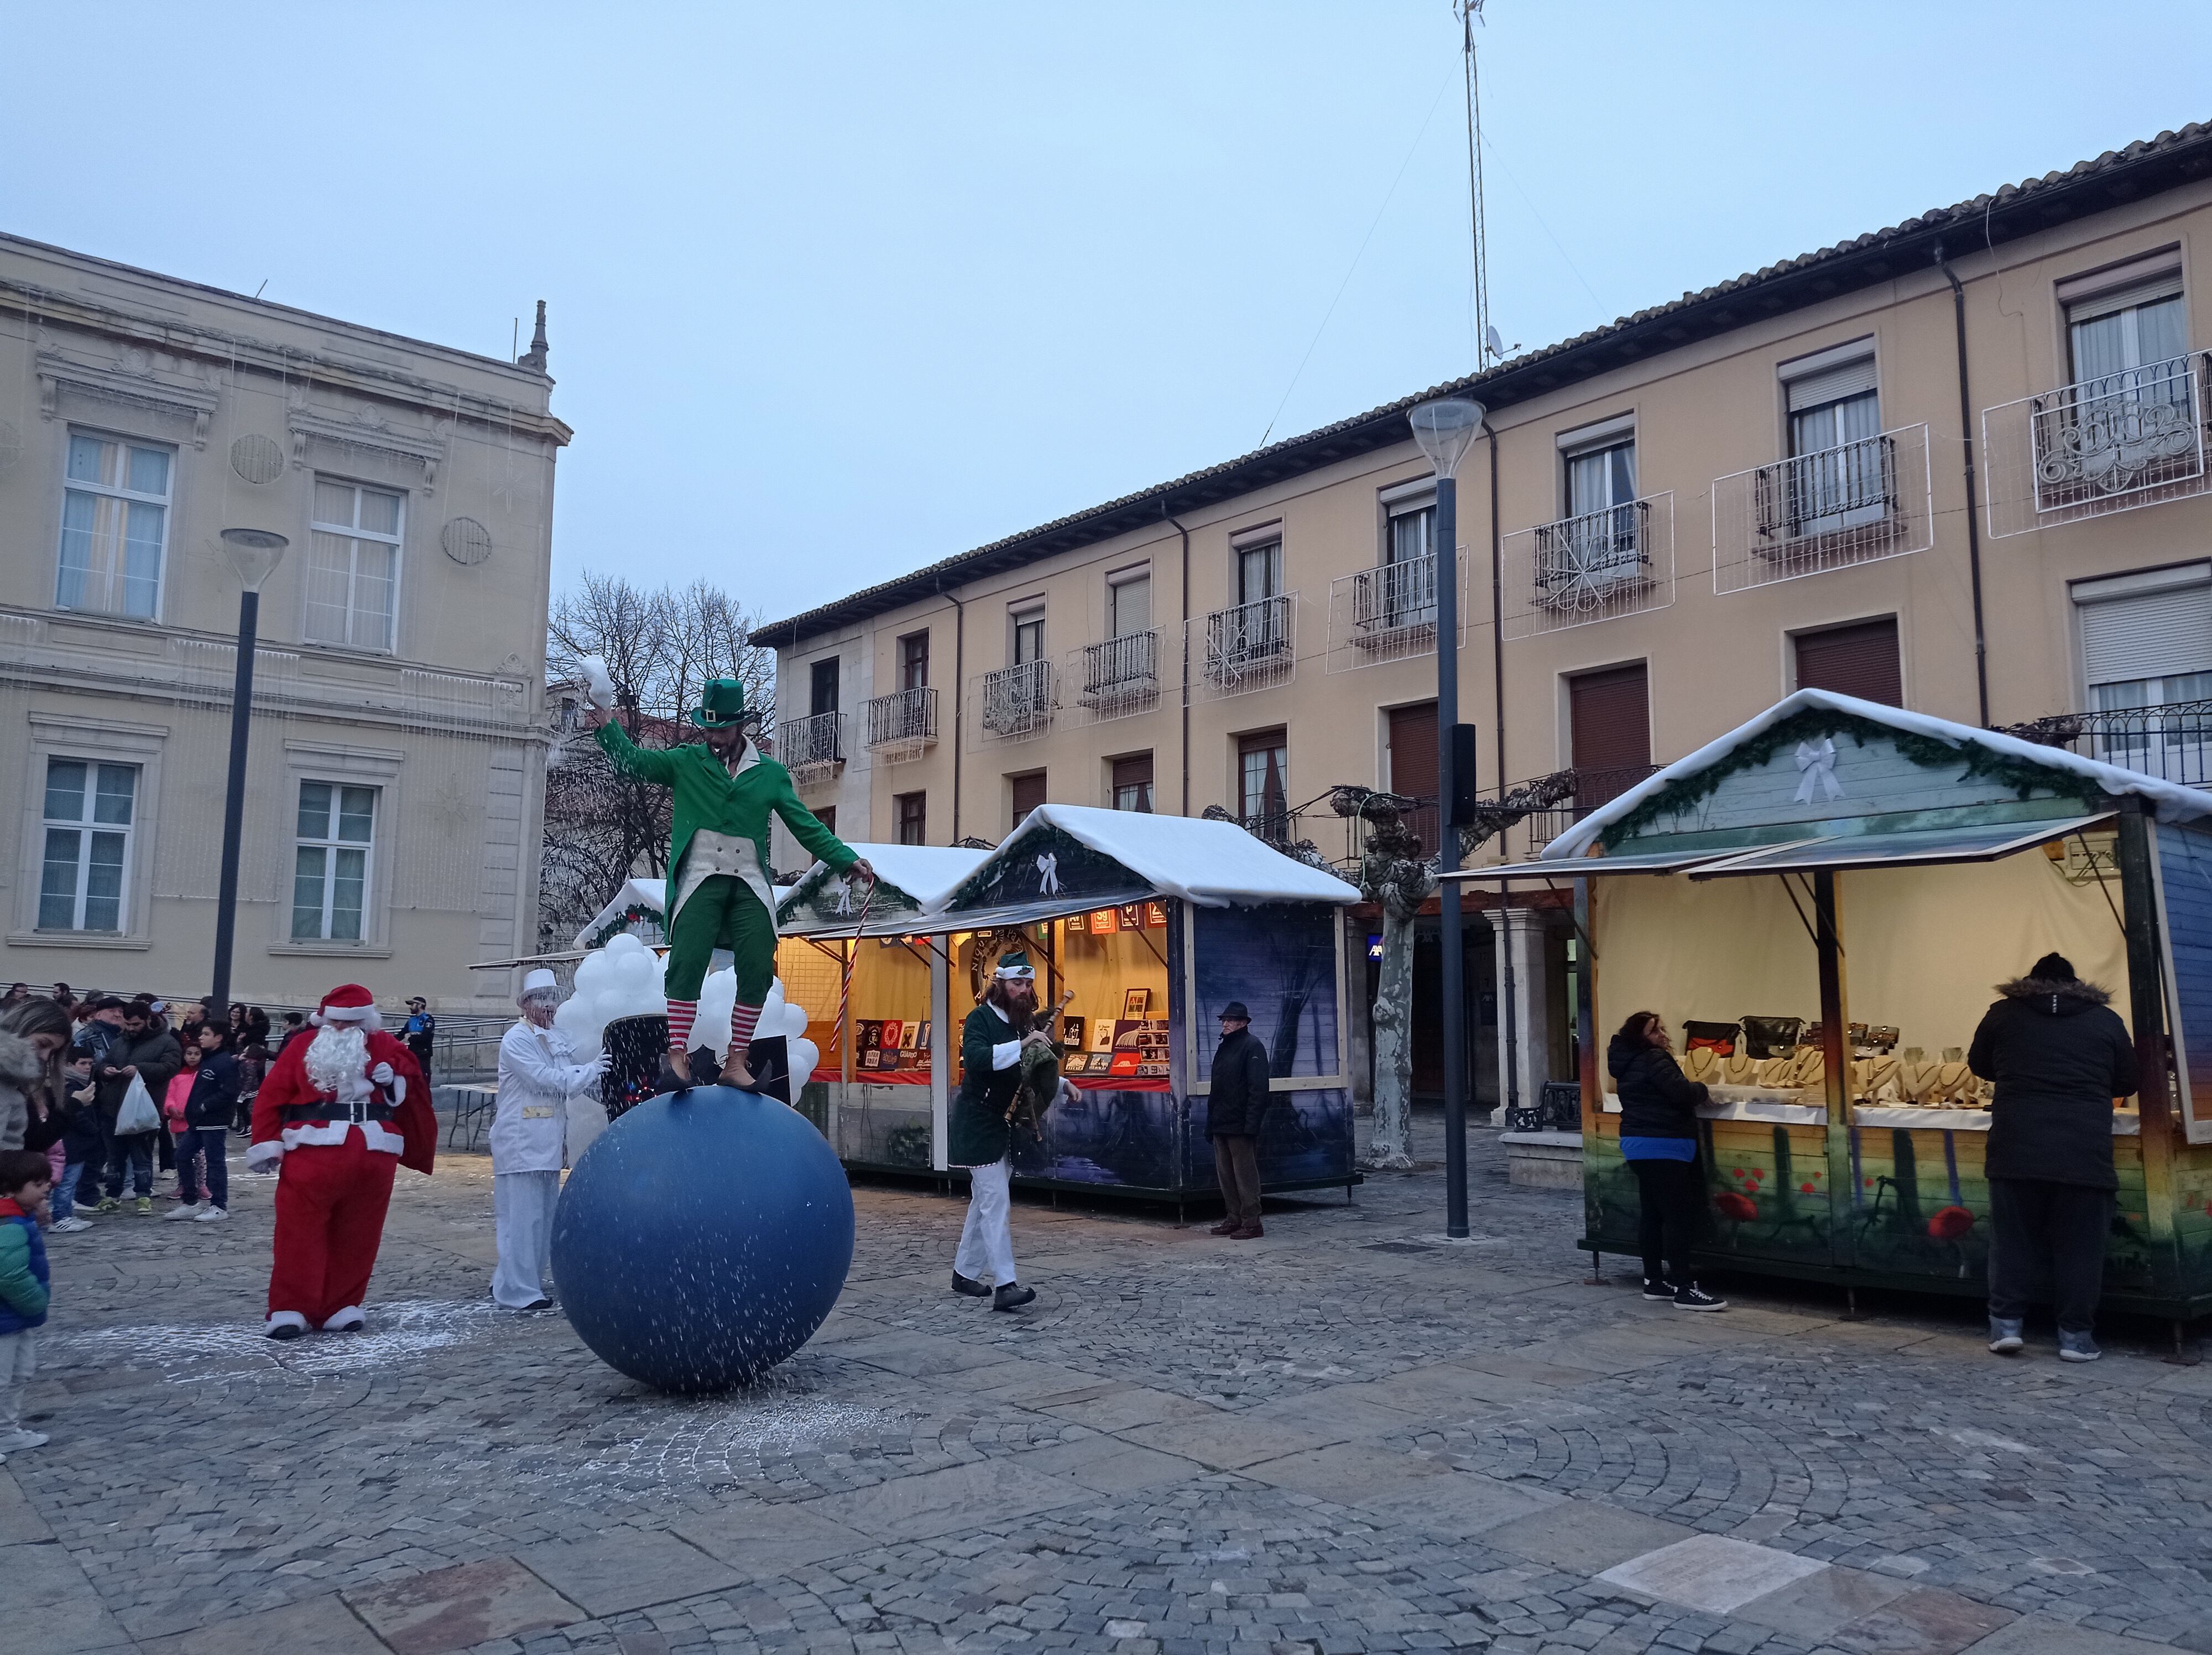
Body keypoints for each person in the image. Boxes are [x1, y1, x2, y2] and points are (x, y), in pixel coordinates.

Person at [587, 676, 873, 1086]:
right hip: (700, 876)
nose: (715, 737)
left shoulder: (770, 774)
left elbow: (804, 824)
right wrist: (606, 723)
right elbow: (633, 762)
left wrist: (846, 860)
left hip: (749, 881)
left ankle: (737, 1061)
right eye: (710, 728)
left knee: (759, 963)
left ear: (741, 727)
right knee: (687, 959)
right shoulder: (686, 761)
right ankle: (678, 1055)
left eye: (722, 729)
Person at [1970, 951, 2138, 1362]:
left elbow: (1979, 1064)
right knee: (2081, 1247)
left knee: (2012, 1242)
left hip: (2016, 1145)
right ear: (2077, 985)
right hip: (2084, 1150)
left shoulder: (2003, 1014)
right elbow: (2129, 1079)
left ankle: (2006, 1327)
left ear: (2030, 981)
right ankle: (2076, 1337)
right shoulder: (2106, 1020)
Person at [247, 985, 435, 1339]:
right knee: (298, 1232)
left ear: (367, 1022)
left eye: (351, 1023)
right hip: (312, 1149)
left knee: (360, 1234)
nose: (343, 1029)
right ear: (323, 1021)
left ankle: (341, 1305)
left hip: (373, 1149)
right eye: (335, 1022)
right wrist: (267, 1143)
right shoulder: (303, 1047)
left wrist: (395, 1077)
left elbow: (414, 1086)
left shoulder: (388, 1048)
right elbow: (271, 1096)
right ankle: (291, 1307)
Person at [491, 970, 604, 1310]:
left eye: (552, 1000)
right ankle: (518, 1290)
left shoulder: (556, 1038)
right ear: (526, 1004)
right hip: (519, 1140)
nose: (548, 1007)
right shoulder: (517, 1039)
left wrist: (599, 1078)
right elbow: (545, 1080)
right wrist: (589, 1071)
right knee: (521, 1218)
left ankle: (516, 1280)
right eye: (540, 1000)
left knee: (542, 1217)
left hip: (548, 1140)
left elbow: (575, 1080)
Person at [1606, 1010, 1728, 1312]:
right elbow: (1680, 1092)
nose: (1662, 1034)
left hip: (1638, 1144)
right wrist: (1702, 1089)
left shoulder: (1628, 1063)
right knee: (1677, 1217)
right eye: (1654, 1030)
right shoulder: (1654, 1059)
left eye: (1661, 1028)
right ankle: (1686, 1288)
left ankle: (1654, 1282)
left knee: (1652, 1214)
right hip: (1665, 1145)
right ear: (1641, 1037)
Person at [947, 950, 1046, 1311]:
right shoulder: (980, 1018)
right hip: (977, 1121)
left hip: (1001, 1124)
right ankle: (1006, 1284)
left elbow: (1029, 1071)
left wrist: (1061, 1083)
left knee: (984, 1203)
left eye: (1029, 983)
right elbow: (974, 1059)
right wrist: (1022, 1045)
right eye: (1017, 982)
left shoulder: (1021, 1023)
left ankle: (964, 1273)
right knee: (996, 1204)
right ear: (1000, 984)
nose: (1024, 989)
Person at [93, 1000, 181, 1215]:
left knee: (142, 1155)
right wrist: (106, 1070)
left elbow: (170, 1068)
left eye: (136, 1025)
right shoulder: (120, 1041)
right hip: (114, 1107)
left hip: (144, 1110)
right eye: (128, 1024)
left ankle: (143, 1196)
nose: (131, 1029)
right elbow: (104, 1062)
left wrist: (140, 1069)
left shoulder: (166, 1042)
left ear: (148, 1020)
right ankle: (113, 1196)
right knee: (115, 1157)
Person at [0, 1148, 53, 1460]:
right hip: (9, 1316)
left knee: (19, 1375)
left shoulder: (19, 1218)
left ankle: (6, 1432)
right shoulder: (9, 1224)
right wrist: (35, 1302)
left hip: (15, 1319)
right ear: (10, 1188)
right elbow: (8, 1273)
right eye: (37, 1183)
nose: (46, 1188)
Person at [1206, 1001, 1273, 1240]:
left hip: (1240, 1123)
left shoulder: (1252, 1046)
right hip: (1223, 1121)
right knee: (1226, 1175)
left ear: (1243, 1023)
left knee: (1245, 1175)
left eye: (1231, 1020)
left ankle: (1252, 1222)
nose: (1225, 1023)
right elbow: (1218, 1089)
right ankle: (1234, 1218)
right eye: (1224, 1019)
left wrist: (1251, 1125)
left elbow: (1258, 1090)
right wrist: (1211, 1123)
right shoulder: (1226, 1046)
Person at [169, 1023, 239, 1224]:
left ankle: (219, 1206)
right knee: (182, 1156)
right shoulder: (209, 1060)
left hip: (214, 1121)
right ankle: (190, 1203)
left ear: (219, 1038)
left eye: (207, 1034)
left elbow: (230, 1091)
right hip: (198, 1122)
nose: (201, 1037)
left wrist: (205, 1106)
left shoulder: (224, 1062)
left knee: (215, 1162)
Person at [0, 997, 71, 1153]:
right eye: (43, 1044)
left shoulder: (14, 1081)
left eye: (52, 1052)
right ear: (23, 1027)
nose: (45, 1057)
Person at [52, 1055, 100, 1232]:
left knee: (69, 1184)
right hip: (71, 1144)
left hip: (76, 1144)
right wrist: (93, 1129)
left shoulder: (79, 1084)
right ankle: (60, 1217)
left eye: (90, 1063)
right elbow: (73, 1114)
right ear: (70, 1065)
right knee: (66, 1184)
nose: (88, 1067)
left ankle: (66, 1215)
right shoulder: (70, 1086)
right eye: (83, 1063)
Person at [403, 997, 437, 1081]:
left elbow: (426, 1037)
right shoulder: (411, 1020)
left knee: (423, 1078)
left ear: (421, 1005)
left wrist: (410, 1037)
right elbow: (402, 1034)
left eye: (412, 1004)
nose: (410, 1007)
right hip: (412, 1052)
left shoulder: (428, 1019)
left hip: (423, 1053)